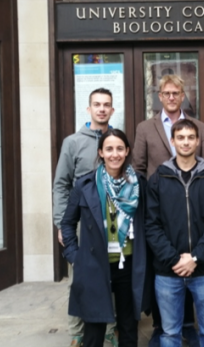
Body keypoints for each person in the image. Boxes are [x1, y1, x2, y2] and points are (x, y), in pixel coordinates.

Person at [133, 74, 204, 346]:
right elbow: (138, 168)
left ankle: (187, 324)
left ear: (183, 95)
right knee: (163, 264)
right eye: (167, 93)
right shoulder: (145, 128)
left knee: (190, 261)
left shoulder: (200, 127)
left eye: (176, 93)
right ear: (160, 97)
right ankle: (161, 325)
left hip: (191, 208)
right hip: (158, 208)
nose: (172, 97)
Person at [61, 129, 151, 347]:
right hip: (95, 264)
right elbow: (67, 223)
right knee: (94, 330)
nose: (114, 154)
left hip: (128, 265)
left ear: (127, 151)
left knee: (128, 327)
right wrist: (76, 257)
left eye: (120, 148)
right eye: (109, 149)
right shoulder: (85, 185)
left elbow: (150, 222)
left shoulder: (139, 184)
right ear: (101, 152)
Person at [146, 119, 204, 347]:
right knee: (170, 333)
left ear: (198, 141)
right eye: (180, 137)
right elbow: (152, 225)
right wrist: (174, 259)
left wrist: (195, 257)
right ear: (172, 141)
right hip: (168, 271)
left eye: (191, 137)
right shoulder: (158, 179)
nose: (186, 142)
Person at [52, 87, 118, 347]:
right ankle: (77, 333)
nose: (102, 109)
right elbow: (61, 184)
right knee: (79, 277)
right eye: (97, 104)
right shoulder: (73, 142)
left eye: (106, 105)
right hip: (82, 221)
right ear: (88, 108)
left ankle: (109, 329)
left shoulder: (115, 139)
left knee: (109, 276)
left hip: (111, 222)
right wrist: (61, 223)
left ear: (112, 110)